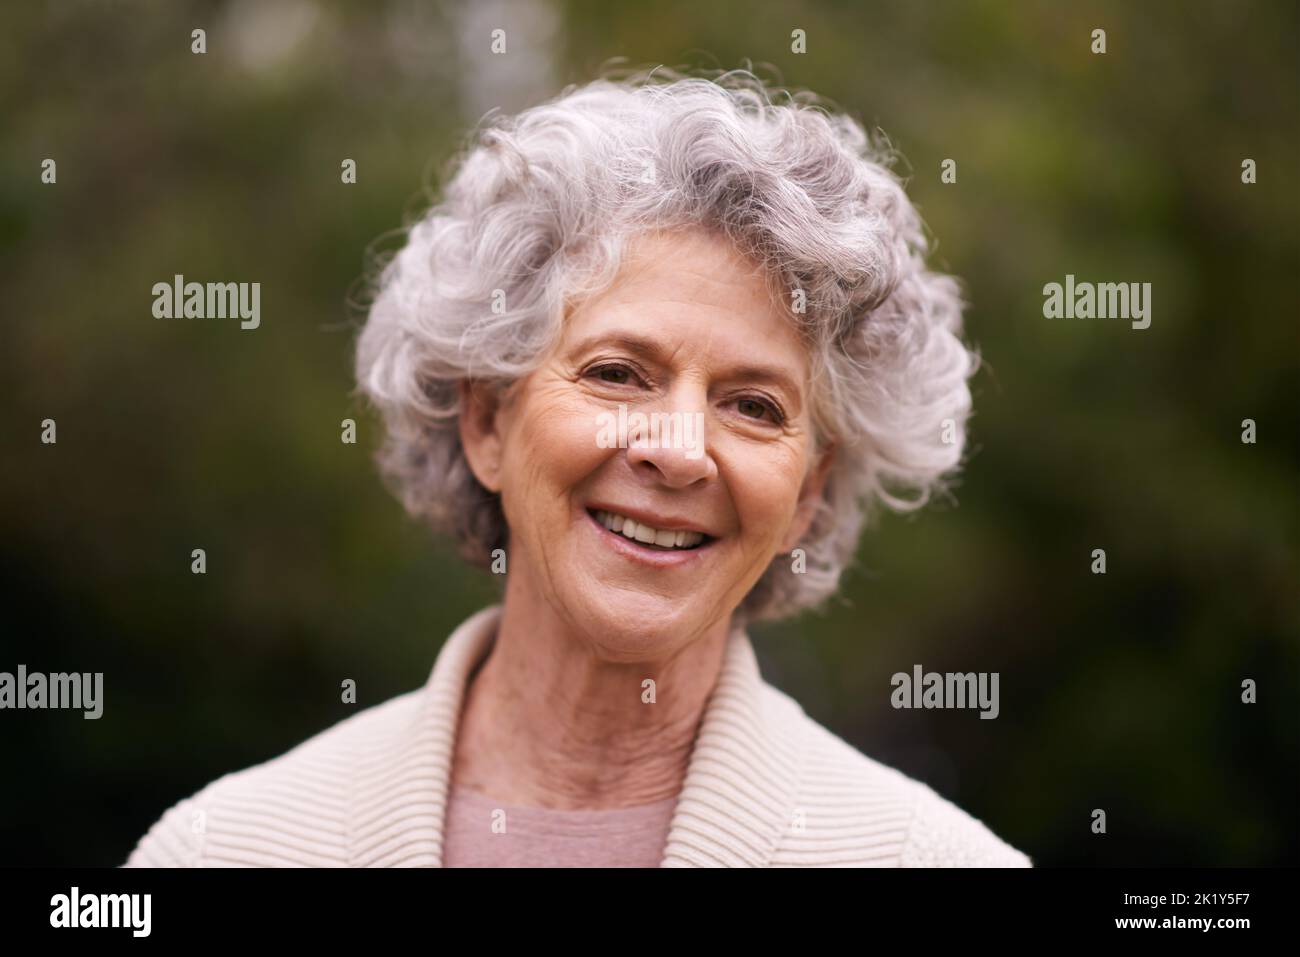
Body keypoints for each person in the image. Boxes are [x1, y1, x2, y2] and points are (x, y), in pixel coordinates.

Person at [125, 67, 1030, 868]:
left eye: (753, 405)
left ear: (809, 494)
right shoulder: (223, 849)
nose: (677, 451)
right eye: (615, 373)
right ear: (484, 419)